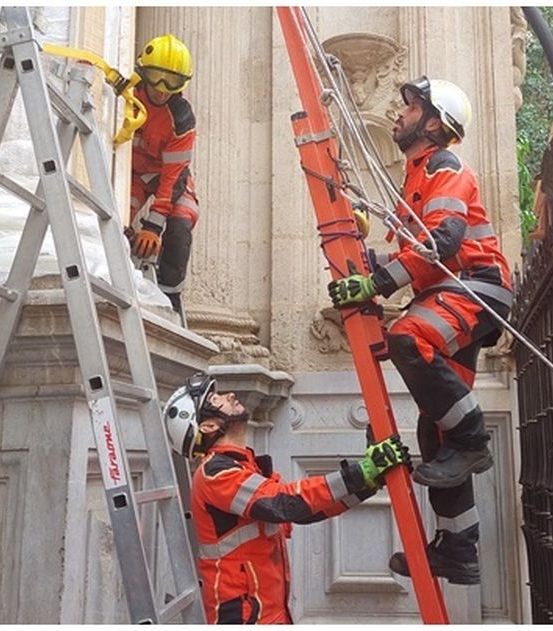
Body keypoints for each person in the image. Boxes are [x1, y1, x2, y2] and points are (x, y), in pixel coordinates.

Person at [326, 76, 509, 585]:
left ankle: (473, 438)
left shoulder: (444, 167)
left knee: (408, 336)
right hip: (455, 286)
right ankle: (458, 550)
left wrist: (377, 281)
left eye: (409, 108)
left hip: (478, 286)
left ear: (434, 123)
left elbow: (444, 241)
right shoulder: (416, 177)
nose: (398, 113)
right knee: (434, 430)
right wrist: (369, 267)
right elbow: (422, 255)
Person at [163, 372, 411, 624]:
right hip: (244, 615)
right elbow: (284, 504)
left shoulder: (243, 468)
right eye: (216, 400)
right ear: (208, 426)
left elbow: (305, 511)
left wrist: (368, 483)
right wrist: (359, 473)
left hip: (266, 609)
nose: (230, 395)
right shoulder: (216, 474)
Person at [128, 34, 200, 318]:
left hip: (168, 179)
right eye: (156, 78)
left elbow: (173, 176)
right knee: (115, 219)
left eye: (171, 82)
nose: (161, 89)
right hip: (131, 175)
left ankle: (171, 295)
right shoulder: (128, 95)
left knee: (182, 222)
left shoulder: (181, 118)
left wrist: (154, 226)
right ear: (143, 73)